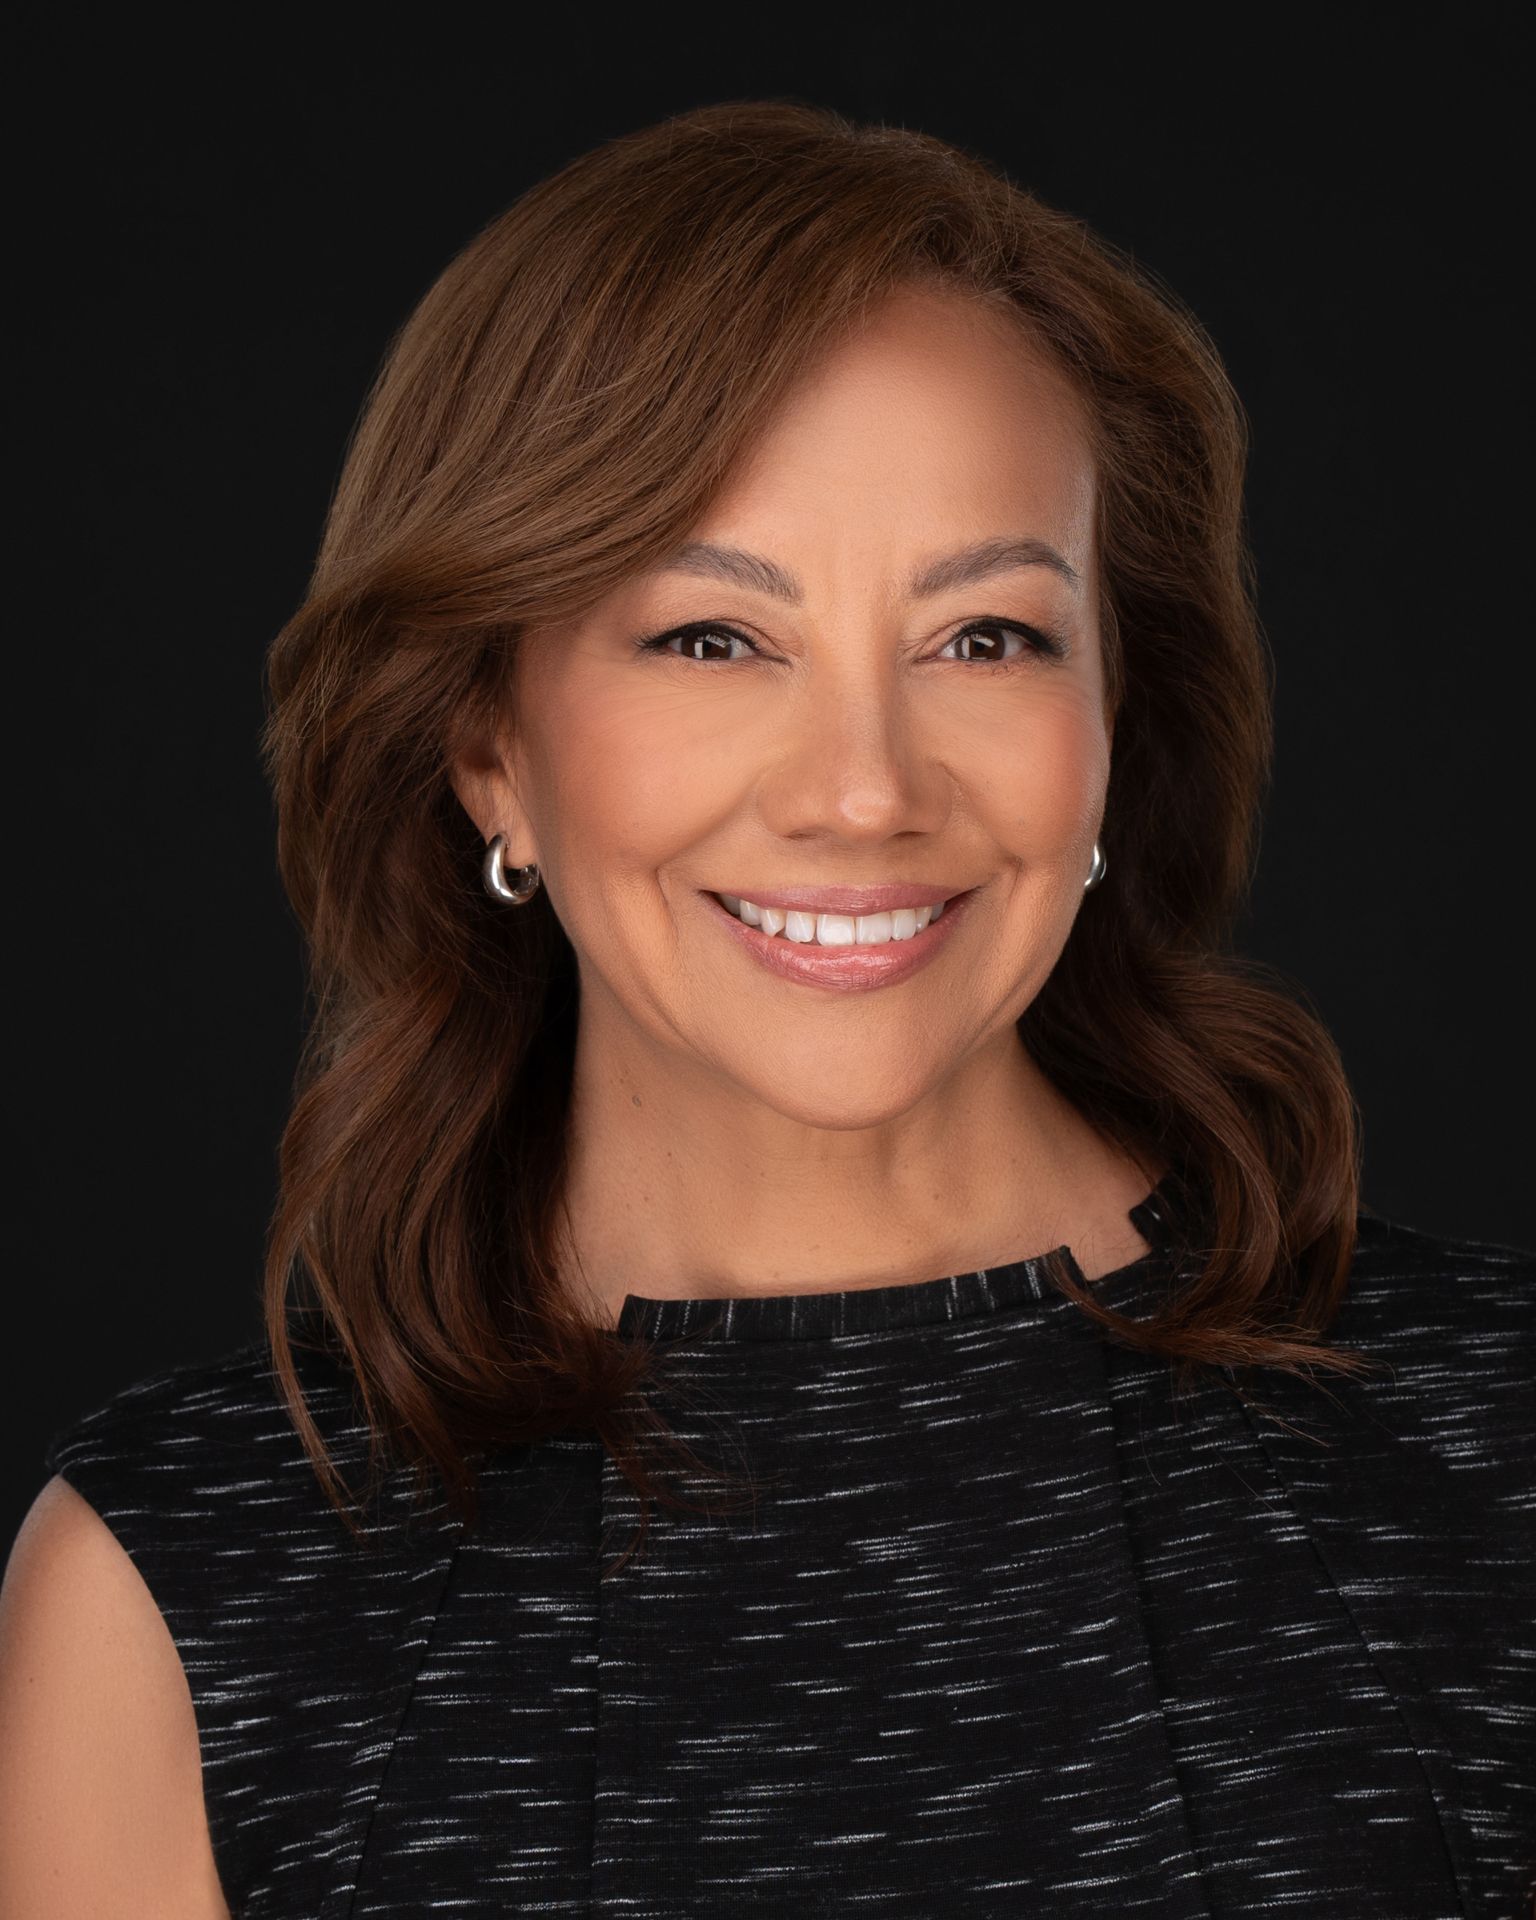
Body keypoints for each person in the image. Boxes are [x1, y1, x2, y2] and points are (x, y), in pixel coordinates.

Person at [1, 99, 1530, 1920]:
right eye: (712, 639)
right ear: (487, 746)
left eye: (987, 637)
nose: (865, 792)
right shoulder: (172, 1595)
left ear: (1116, 722)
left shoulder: (1499, 1451)